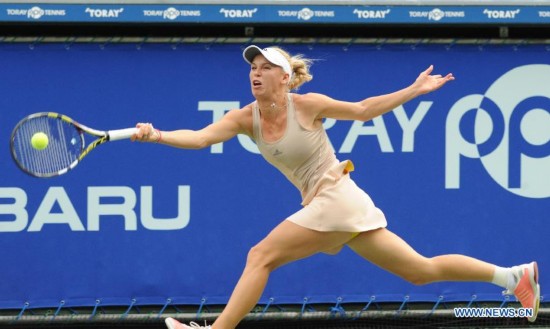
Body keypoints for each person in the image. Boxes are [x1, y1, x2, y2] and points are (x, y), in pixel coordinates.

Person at [132, 45, 540, 328]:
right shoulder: (244, 118)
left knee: (260, 256)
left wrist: (414, 90)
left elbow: (362, 111)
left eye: (266, 67)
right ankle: (513, 276)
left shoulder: (306, 105)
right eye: (252, 67)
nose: (256, 73)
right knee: (420, 271)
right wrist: (159, 135)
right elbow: (201, 137)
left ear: (286, 77)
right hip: (332, 203)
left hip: (337, 198)